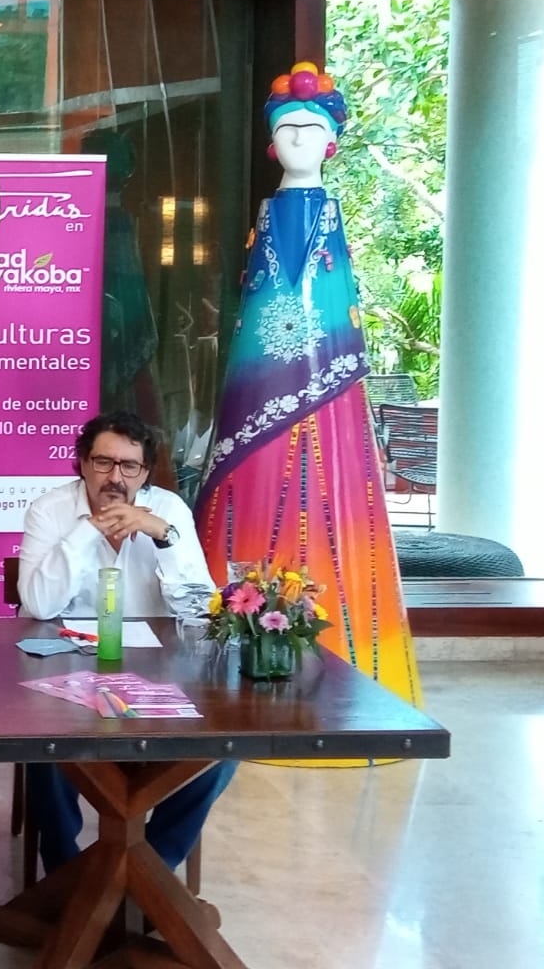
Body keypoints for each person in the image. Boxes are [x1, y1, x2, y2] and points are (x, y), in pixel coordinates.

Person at [194, 64, 421, 713]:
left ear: (331, 142)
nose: (297, 138)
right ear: (271, 144)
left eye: (310, 128)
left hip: (325, 395)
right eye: (286, 128)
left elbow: (328, 313)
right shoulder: (269, 220)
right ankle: (224, 666)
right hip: (256, 396)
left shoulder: (325, 220)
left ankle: (345, 675)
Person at [17, 410, 232, 874]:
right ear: (82, 463)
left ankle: (150, 870)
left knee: (222, 752)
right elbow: (38, 605)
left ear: (145, 472)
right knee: (44, 745)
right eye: (103, 462)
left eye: (129, 466)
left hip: (158, 675)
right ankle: (65, 876)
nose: (115, 477)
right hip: (69, 670)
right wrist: (87, 529)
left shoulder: (170, 510)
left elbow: (201, 608)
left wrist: (165, 537)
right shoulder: (50, 510)